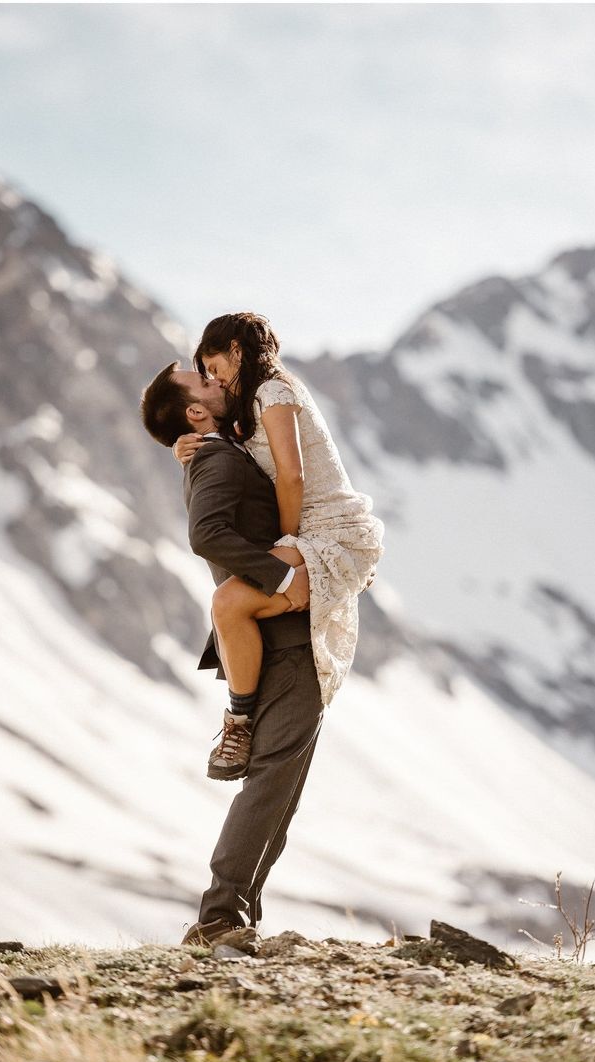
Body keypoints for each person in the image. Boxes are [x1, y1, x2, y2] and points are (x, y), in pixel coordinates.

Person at [140, 361, 324, 949]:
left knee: (280, 788)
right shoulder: (217, 456)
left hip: (270, 638)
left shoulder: (214, 449)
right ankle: (220, 916)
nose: (216, 381)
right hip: (282, 642)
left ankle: (234, 915)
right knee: (272, 783)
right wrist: (281, 578)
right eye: (203, 381)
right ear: (194, 411)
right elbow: (207, 535)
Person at [175, 313, 384, 749]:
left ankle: (239, 723)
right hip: (311, 535)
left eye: (215, 368)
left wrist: (286, 545)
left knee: (228, 603)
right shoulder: (249, 403)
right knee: (229, 607)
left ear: (237, 350)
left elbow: (291, 475)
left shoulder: (274, 390)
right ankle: (240, 719)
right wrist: (182, 445)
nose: (214, 379)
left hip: (331, 532)